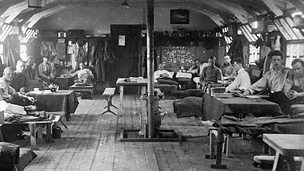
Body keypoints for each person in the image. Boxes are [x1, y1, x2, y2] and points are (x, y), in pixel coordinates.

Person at [243, 50, 290, 114]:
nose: (276, 62)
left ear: (282, 60)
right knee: (257, 108)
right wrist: (249, 90)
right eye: (274, 60)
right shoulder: (269, 73)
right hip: (272, 96)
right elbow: (260, 83)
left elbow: (288, 86)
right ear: (271, 61)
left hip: (282, 97)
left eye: (278, 60)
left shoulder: (286, 72)